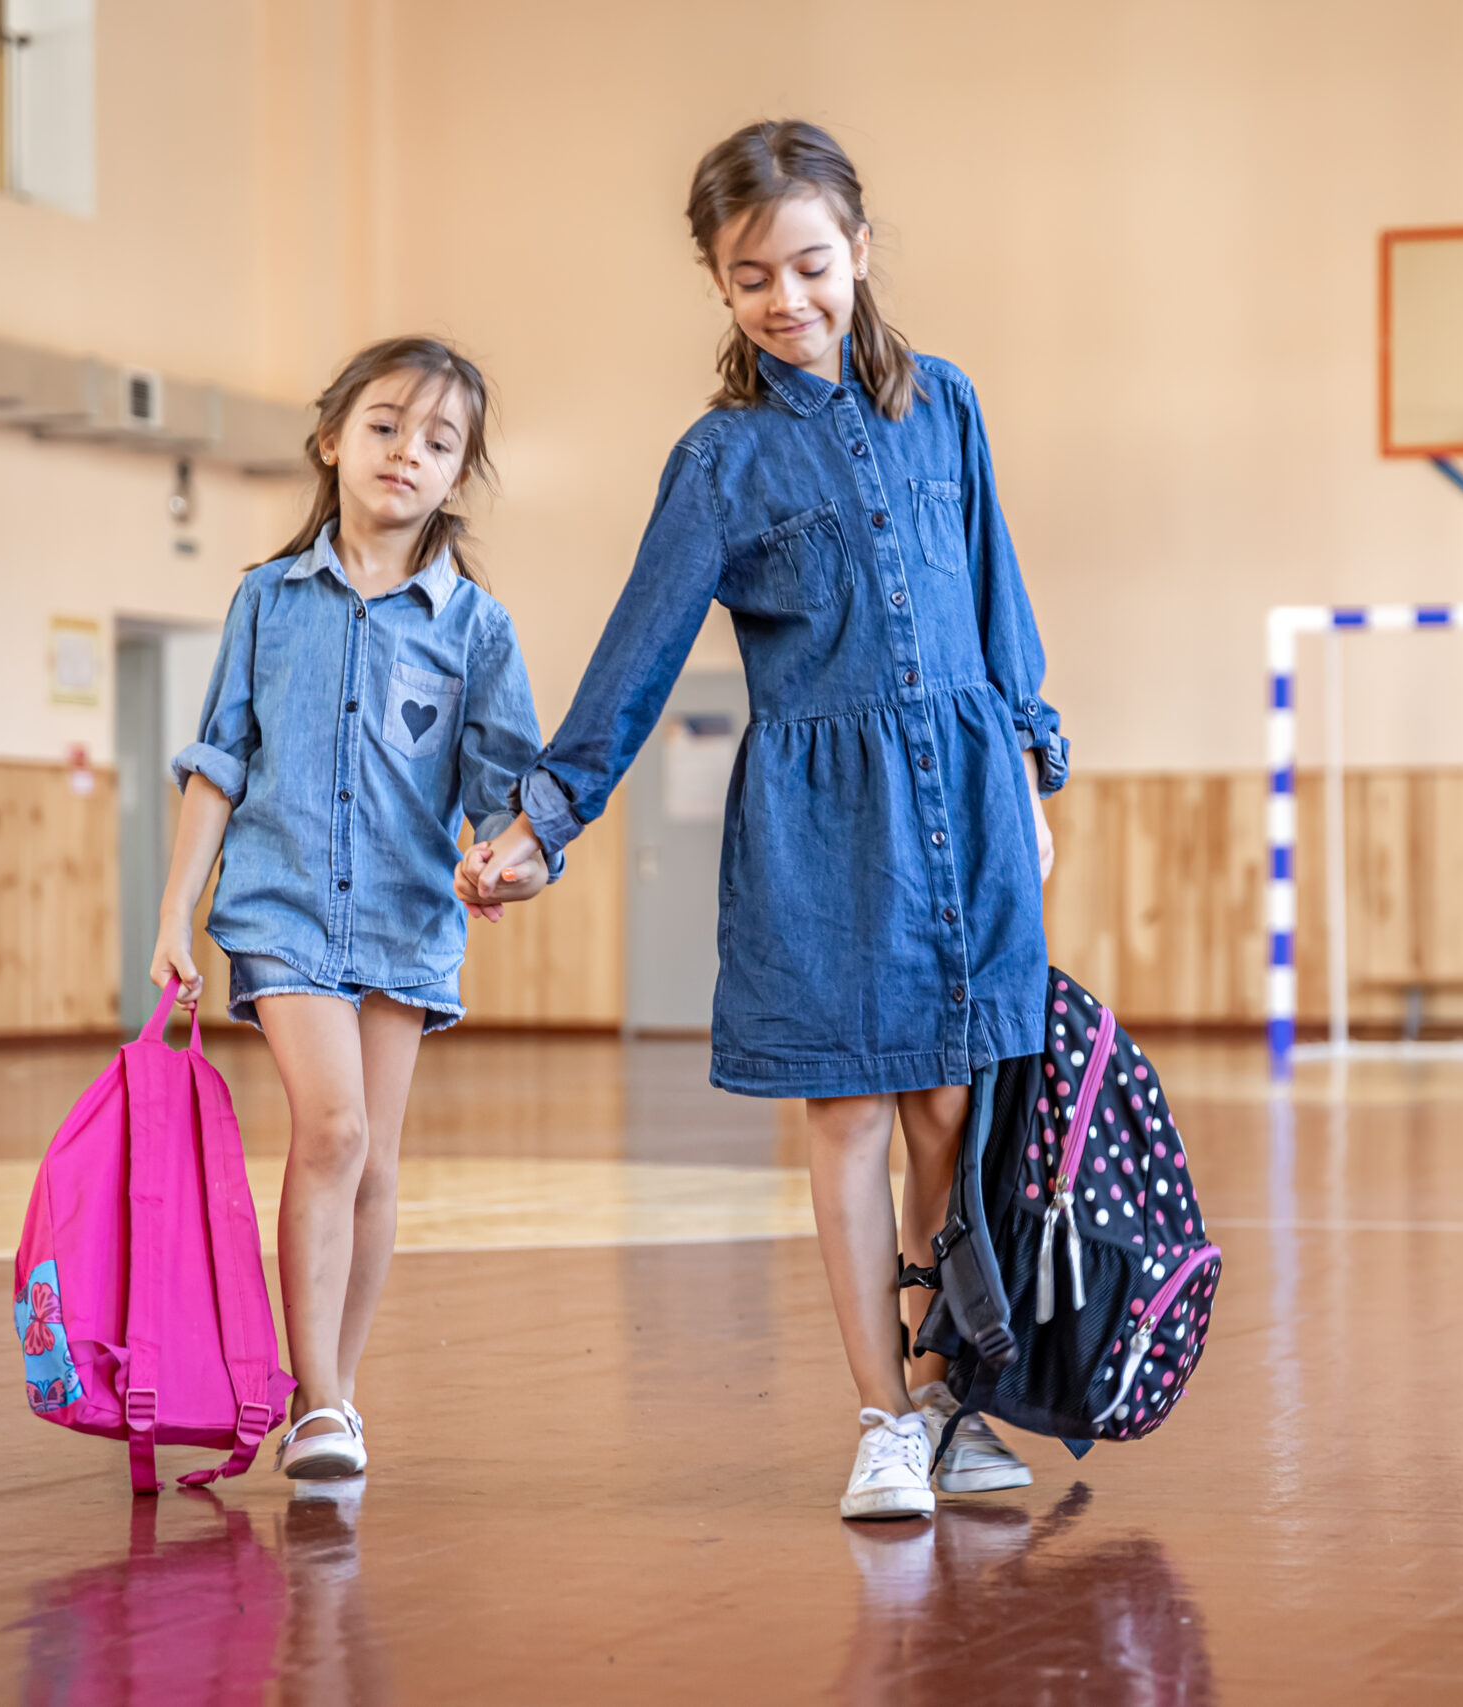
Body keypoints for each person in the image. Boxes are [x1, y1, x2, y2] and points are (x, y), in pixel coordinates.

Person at [459, 121, 1066, 1520]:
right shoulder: (718, 459)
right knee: (851, 1108)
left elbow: (998, 597)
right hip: (822, 821)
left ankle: (951, 1385)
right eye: (752, 279)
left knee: (952, 1112)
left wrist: (1031, 771)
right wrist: (550, 814)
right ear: (719, 286)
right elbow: (641, 646)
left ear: (858, 245)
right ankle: (882, 1416)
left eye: (810, 263)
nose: (788, 298)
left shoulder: (948, 405)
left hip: (968, 801)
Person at [154, 336, 549, 1480]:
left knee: (374, 1161)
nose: (406, 455)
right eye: (384, 427)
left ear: (457, 474)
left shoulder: (477, 627)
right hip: (279, 910)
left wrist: (500, 861)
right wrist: (174, 919)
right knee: (331, 1129)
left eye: (439, 441)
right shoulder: (267, 602)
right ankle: (314, 1396)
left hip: (405, 919)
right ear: (331, 439)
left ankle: (340, 1397)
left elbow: (500, 797)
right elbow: (218, 761)